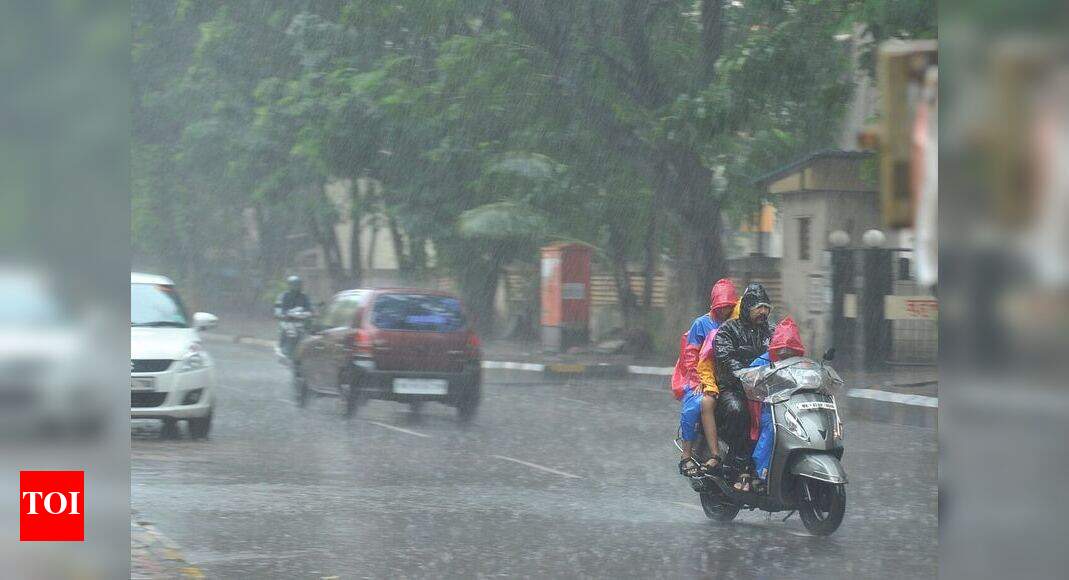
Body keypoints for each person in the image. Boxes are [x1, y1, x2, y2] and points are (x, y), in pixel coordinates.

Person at [713, 283, 774, 490]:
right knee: (740, 413)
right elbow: (725, 358)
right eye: (759, 307)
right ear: (747, 306)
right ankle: (739, 468)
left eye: (766, 307)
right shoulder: (728, 331)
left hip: (765, 391)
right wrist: (745, 375)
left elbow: (786, 352)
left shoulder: (772, 332)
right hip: (734, 389)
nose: (763, 312)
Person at [678, 279, 738, 477]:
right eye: (721, 307)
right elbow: (690, 357)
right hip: (702, 380)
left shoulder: (737, 322)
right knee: (695, 406)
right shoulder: (701, 324)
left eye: (729, 306)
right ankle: (687, 455)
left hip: (730, 380)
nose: (725, 311)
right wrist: (699, 381)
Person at [747, 317, 806, 493]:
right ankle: (760, 472)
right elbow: (749, 380)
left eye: (790, 351)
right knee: (772, 429)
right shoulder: (762, 362)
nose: (785, 355)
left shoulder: (802, 364)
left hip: (794, 408)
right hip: (769, 409)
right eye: (782, 351)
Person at [274, 275, 312, 348]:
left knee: (311, 333)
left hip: (301, 322)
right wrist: (281, 314)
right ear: (290, 285)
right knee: (284, 331)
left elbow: (309, 308)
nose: (297, 286)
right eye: (295, 285)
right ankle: (282, 347)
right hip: (287, 321)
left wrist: (311, 313)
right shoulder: (283, 296)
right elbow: (278, 308)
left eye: (298, 285)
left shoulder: (304, 296)